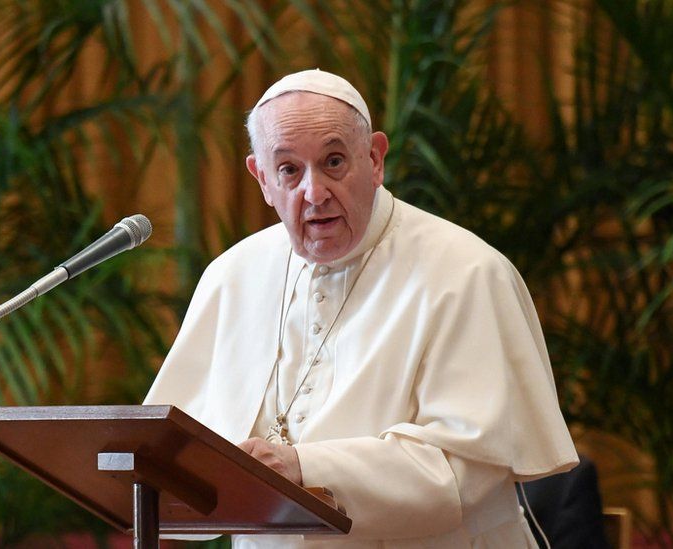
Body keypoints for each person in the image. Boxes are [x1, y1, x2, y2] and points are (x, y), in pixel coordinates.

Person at [145, 69, 578, 548]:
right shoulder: (232, 277)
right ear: (262, 179)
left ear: (374, 159)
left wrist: (302, 467)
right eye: (289, 170)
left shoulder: (468, 272)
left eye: (334, 162)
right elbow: (174, 465)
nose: (314, 192)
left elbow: (465, 473)